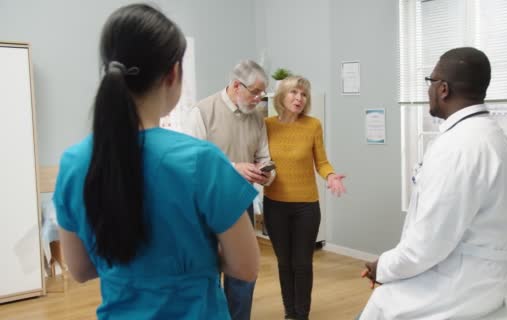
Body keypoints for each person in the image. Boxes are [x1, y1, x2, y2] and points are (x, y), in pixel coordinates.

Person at [53, 4, 259, 319]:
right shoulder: (202, 162)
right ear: (174, 73)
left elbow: (80, 270)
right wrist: (195, 257)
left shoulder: (74, 163)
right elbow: (245, 267)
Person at [359, 47, 507, 319]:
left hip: (452, 289)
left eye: (430, 82)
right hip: (482, 283)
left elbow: (427, 244)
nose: (428, 90)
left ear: (443, 88)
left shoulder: (458, 147)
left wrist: (382, 267)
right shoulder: (494, 137)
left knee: (381, 304)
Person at [182, 59, 274, 320]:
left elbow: (264, 156)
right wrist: (235, 167)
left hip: (239, 205)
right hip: (204, 208)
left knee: (242, 274)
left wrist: (267, 173)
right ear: (236, 85)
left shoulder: (257, 118)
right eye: (255, 92)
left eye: (262, 93)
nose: (259, 99)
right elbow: (191, 164)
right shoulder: (201, 112)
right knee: (208, 274)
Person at [264, 76, 346, 320]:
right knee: (284, 263)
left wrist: (330, 176)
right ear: (282, 96)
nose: (299, 98)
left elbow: (321, 161)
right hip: (275, 205)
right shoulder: (266, 125)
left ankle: (302, 315)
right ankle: (290, 313)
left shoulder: (313, 125)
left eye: (304, 94)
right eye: (294, 93)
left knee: (302, 263)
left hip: (306, 207)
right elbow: (261, 159)